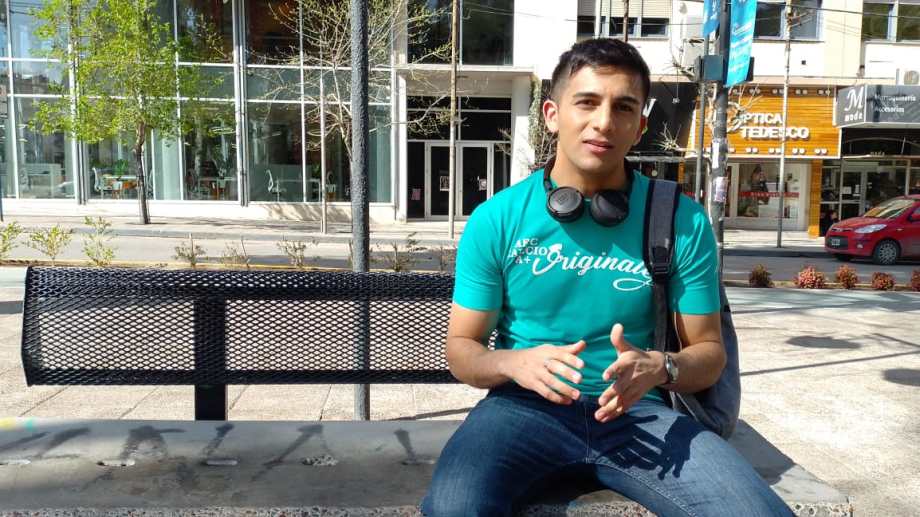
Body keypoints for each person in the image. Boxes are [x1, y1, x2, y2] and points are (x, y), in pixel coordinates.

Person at [421, 38, 792, 517]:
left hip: (638, 412)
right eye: (587, 102)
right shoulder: (497, 219)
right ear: (552, 114)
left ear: (640, 126)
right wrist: (513, 364)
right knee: (452, 508)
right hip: (521, 410)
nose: (603, 121)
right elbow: (461, 349)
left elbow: (708, 354)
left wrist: (661, 367)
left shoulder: (681, 220)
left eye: (623, 107)